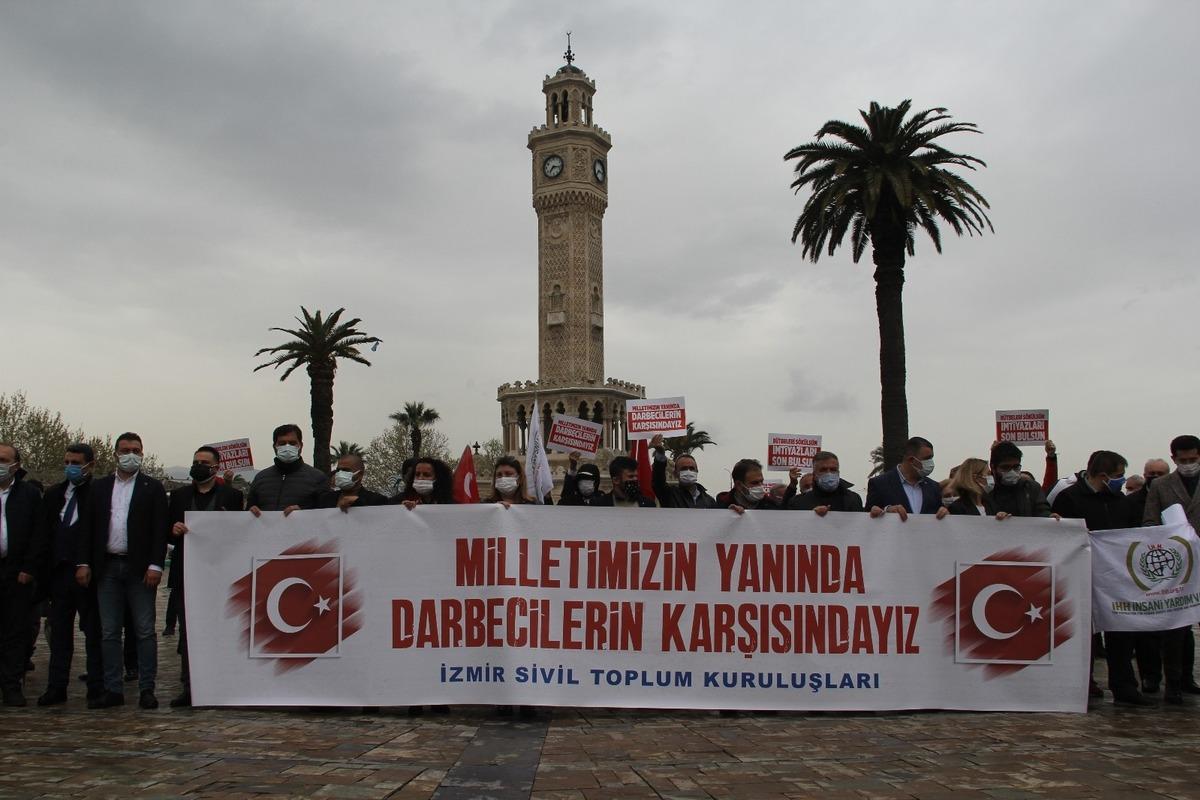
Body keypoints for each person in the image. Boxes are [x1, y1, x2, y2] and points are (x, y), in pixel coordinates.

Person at [77, 433, 168, 710]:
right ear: (116, 453)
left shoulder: (152, 488)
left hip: (140, 569)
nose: (131, 454)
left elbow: (159, 529)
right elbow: (88, 527)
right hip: (106, 567)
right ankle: (113, 688)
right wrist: (84, 562)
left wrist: (155, 564)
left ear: (142, 453)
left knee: (144, 631)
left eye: (136, 450)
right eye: (126, 449)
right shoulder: (100, 487)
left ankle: (147, 688)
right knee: (109, 632)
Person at [1052, 449, 1145, 706]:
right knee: (1083, 633)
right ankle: (1084, 684)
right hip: (1081, 574)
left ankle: (1124, 686)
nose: (1121, 480)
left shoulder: (1120, 500)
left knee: (1121, 633)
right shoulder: (1069, 498)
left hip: (1116, 576)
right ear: (1103, 475)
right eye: (1118, 475)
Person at [166, 445, 244, 708]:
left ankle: (222, 684)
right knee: (188, 632)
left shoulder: (232, 496)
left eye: (204, 462)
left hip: (219, 574)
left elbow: (239, 535)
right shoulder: (179, 496)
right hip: (186, 574)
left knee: (220, 629)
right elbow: (166, 532)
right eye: (195, 461)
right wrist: (173, 530)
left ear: (216, 467)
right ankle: (190, 686)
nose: (198, 466)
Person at [37, 444, 103, 707]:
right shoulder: (54, 494)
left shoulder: (98, 493)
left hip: (88, 574)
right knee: (59, 633)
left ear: (90, 465)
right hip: (59, 573)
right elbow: (44, 533)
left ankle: (96, 686)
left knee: (93, 632)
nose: (70, 467)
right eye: (66, 462)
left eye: (75, 463)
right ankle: (56, 686)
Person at [1142, 435, 1200, 703]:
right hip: (1176, 565)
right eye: (1183, 460)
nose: (1188, 464)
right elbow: (1150, 521)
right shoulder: (1161, 485)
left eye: (1193, 459)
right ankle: (1174, 683)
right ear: (1174, 458)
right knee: (1176, 628)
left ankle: (1188, 679)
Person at [0, 443, 44, 707]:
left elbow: (38, 534)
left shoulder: (28, 495)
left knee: (15, 631)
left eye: (4, 460)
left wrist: (29, 568)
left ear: (16, 465)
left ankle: (11, 685)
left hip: (16, 572)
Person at [246, 424, 326, 515]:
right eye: (282, 443)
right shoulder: (260, 478)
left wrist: (303, 514)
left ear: (301, 446)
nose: (287, 447)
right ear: (274, 447)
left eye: (292, 443)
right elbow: (248, 510)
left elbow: (326, 514)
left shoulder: (317, 478)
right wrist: (251, 511)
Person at [865, 437, 950, 520]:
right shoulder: (879, 484)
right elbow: (867, 517)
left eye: (931, 458)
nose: (931, 463)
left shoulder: (934, 487)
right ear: (911, 460)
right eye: (927, 459)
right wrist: (886, 510)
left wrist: (946, 514)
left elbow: (940, 515)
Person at [649, 435, 717, 509]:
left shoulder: (709, 501)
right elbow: (658, 481)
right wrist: (660, 453)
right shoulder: (669, 495)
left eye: (691, 468)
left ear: (697, 471)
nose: (688, 471)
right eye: (684, 469)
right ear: (675, 473)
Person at [988, 442, 1054, 518]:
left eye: (1016, 467)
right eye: (1005, 467)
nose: (1012, 472)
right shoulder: (985, 492)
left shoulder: (1031, 488)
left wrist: (1050, 517)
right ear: (993, 468)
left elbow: (1042, 511)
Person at [787, 452, 864, 514]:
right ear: (815, 475)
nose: (829, 473)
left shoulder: (854, 499)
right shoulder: (799, 502)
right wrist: (811, 516)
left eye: (833, 469)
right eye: (823, 470)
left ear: (838, 472)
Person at [318, 453, 387, 511]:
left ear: (359, 475)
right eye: (338, 470)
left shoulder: (377, 501)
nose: (340, 474)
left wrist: (358, 502)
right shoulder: (325, 499)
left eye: (345, 470)